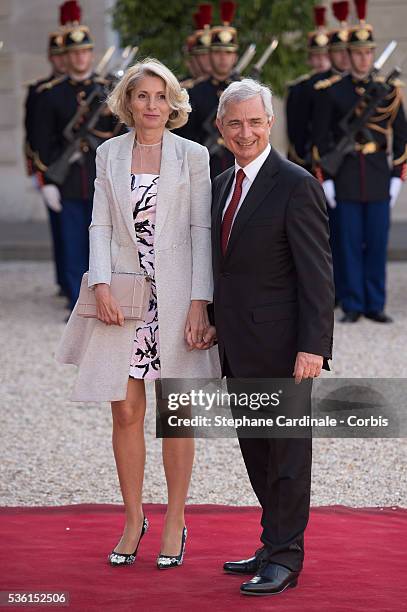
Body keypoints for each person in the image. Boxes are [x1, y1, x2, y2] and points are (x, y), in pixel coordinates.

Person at [55, 58, 220, 569]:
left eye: (160, 96)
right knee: (124, 410)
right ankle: (132, 518)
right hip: (122, 297)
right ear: (126, 102)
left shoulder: (193, 156)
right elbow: (99, 224)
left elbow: (200, 232)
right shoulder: (108, 153)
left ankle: (174, 517)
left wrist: (199, 301)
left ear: (173, 102)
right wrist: (99, 282)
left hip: (176, 300)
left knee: (177, 414)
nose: (151, 105)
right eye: (141, 96)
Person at [211, 78, 334, 596]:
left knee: (286, 456)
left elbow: (318, 274)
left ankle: (286, 558)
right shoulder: (220, 185)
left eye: (255, 122)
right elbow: (226, 267)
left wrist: (314, 346)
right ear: (220, 128)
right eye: (235, 123)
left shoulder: (295, 183)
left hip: (286, 350)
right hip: (237, 347)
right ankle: (271, 541)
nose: (246, 132)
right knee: (257, 452)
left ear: (270, 123)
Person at [312, 1, 407, 323]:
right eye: (358, 53)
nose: (364, 58)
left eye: (368, 53)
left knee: (377, 243)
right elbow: (320, 140)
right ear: (348, 56)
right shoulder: (331, 91)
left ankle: (374, 303)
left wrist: (397, 177)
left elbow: (402, 136)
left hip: (379, 173)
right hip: (346, 174)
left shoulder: (389, 91)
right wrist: (325, 178)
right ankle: (353, 304)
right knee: (349, 244)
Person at [34, 18, 123, 313]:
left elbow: (119, 133)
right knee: (73, 246)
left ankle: (104, 302)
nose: (80, 57)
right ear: (67, 56)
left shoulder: (106, 91)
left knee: (104, 245)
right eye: (74, 53)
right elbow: (42, 141)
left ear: (91, 54)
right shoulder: (51, 93)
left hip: (101, 179)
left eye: (85, 52)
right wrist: (47, 181)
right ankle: (77, 305)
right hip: (69, 180)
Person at [24, 15, 68, 298]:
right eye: (59, 55)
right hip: (53, 165)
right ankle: (65, 280)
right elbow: (33, 134)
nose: (64, 61)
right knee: (61, 229)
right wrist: (37, 171)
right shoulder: (41, 91)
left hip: (80, 170)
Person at [178, 0, 239, 177]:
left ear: (235, 56)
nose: (223, 59)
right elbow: (186, 137)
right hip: (206, 171)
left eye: (228, 53)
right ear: (210, 54)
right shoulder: (194, 92)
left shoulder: (243, 90)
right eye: (218, 52)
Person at [286, 4, 331, 169]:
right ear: (309, 59)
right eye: (316, 56)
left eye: (325, 55)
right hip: (307, 159)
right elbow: (295, 130)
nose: (321, 61)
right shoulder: (300, 88)